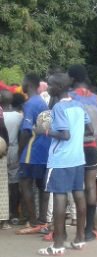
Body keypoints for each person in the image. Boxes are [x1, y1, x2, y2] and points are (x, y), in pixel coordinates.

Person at [38, 72, 90, 255]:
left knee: (59, 196)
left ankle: (58, 244)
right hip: (77, 158)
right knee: (79, 195)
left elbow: (64, 135)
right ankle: (80, 239)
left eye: (50, 85)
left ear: (58, 88)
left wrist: (45, 131)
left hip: (61, 159)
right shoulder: (78, 104)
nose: (48, 87)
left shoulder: (58, 108)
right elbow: (88, 125)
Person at [68, 65, 97, 242]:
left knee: (77, 188)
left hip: (74, 147)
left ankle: (78, 230)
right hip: (91, 147)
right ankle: (89, 230)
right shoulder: (96, 99)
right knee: (90, 186)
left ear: (72, 79)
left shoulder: (69, 97)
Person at [15, 73, 52, 234]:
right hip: (44, 150)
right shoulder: (42, 102)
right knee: (42, 186)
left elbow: (26, 132)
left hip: (32, 151)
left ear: (28, 84)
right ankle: (43, 221)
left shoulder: (29, 104)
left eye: (23, 82)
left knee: (25, 184)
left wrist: (19, 152)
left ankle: (33, 221)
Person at [1, 91, 22, 226]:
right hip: (14, 149)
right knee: (14, 184)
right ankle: (14, 212)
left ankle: (4, 214)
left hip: (2, 150)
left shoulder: (2, 115)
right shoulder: (19, 116)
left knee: (3, 184)